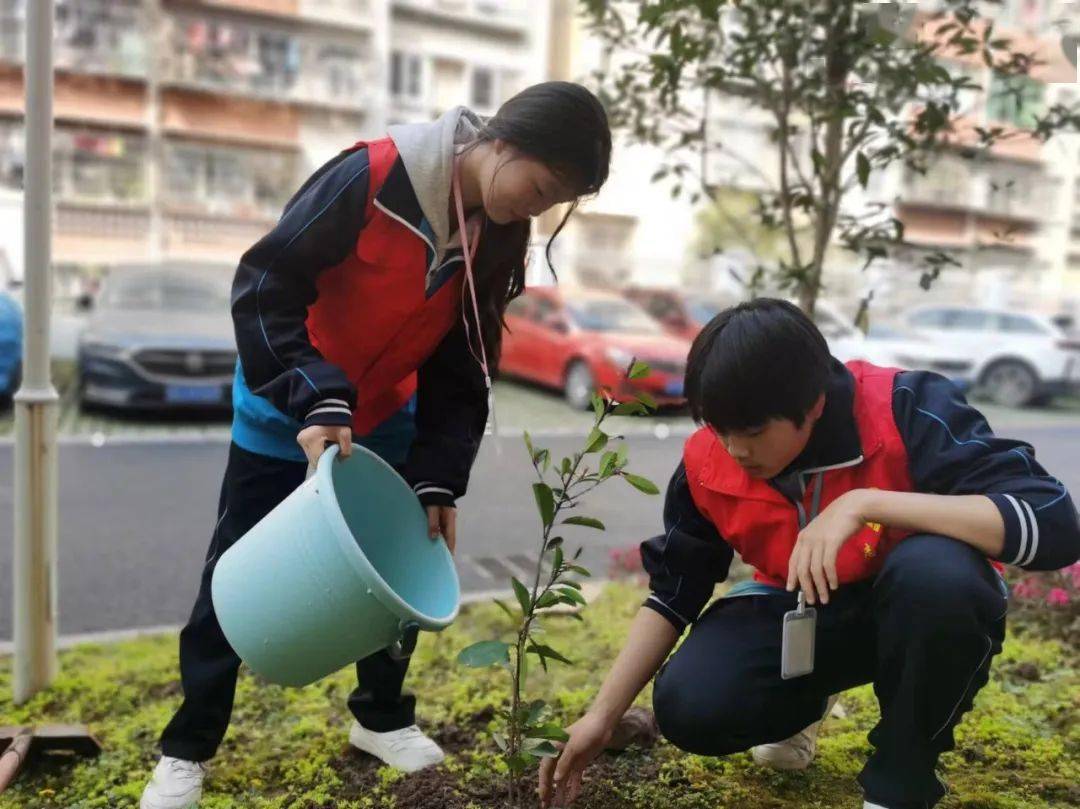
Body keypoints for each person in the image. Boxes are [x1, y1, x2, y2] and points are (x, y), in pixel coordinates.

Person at [141, 81, 611, 809]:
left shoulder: (496, 227)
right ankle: (185, 747)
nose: (537, 208)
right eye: (540, 186)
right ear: (505, 142)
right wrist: (313, 392)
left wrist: (438, 477)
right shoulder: (369, 176)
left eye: (555, 203)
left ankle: (382, 719)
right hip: (286, 409)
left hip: (388, 413)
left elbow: (465, 360)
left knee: (395, 573)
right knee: (230, 573)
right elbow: (266, 284)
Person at [539, 298, 1080, 809]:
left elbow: (1053, 523)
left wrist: (869, 505)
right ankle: (804, 706)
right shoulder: (710, 460)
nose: (736, 451)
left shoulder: (905, 409)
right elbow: (674, 592)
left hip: (921, 606)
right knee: (692, 705)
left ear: (815, 404)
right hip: (800, 610)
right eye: (720, 429)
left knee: (939, 578)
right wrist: (601, 717)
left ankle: (903, 773)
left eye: (752, 431)